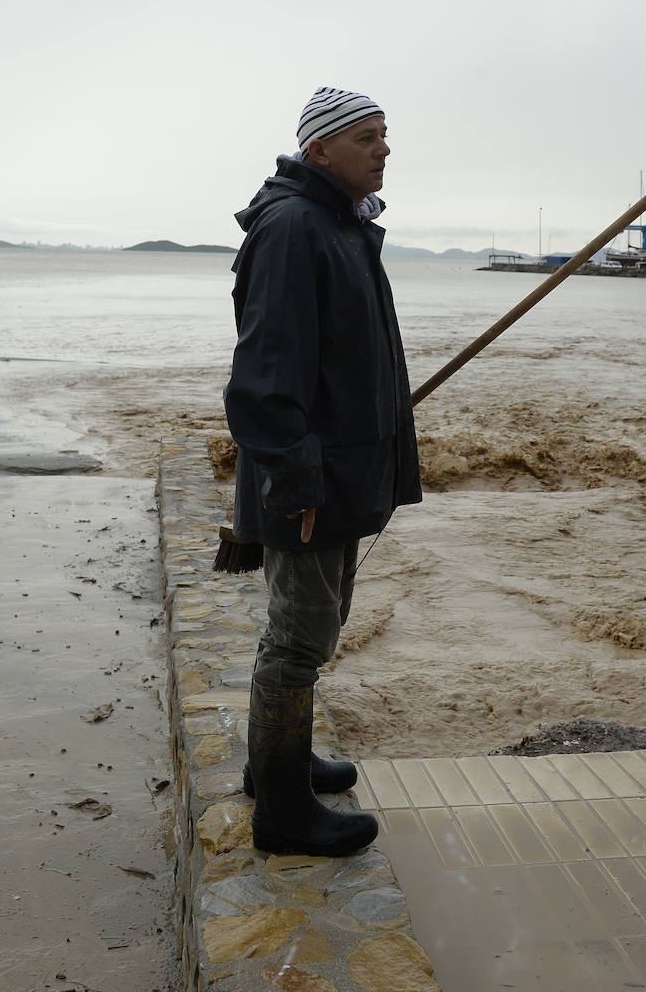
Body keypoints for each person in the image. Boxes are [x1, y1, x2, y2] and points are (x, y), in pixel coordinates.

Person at [224, 87, 422, 856]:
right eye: (368, 137)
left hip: (338, 471)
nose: (383, 149)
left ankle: (283, 760)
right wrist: (296, 480)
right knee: (299, 638)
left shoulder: (337, 224)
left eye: (384, 135)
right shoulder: (295, 228)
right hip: (307, 481)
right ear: (320, 152)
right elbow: (266, 376)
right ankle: (280, 811)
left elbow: (339, 357)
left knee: (315, 626)